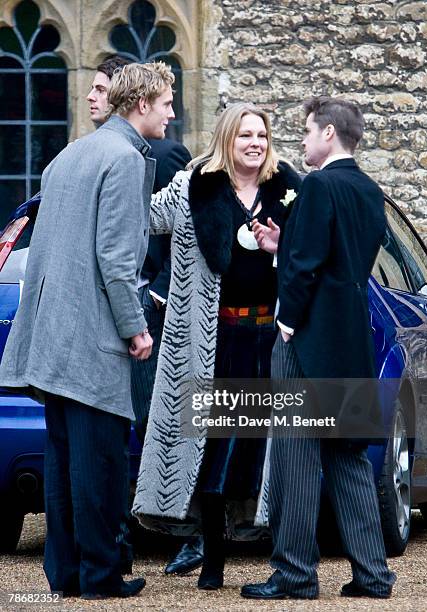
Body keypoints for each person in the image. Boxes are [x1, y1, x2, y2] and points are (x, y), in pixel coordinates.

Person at [0, 61, 175, 599]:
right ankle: (100, 577)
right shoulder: (125, 159)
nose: (172, 111)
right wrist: (136, 327)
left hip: (51, 338)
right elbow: (117, 259)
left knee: (63, 461)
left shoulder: (69, 154)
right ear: (141, 103)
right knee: (98, 462)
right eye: (167, 101)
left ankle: (66, 574)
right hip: (93, 338)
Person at [133, 102, 302, 590]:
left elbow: (315, 250)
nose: (255, 143)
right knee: (209, 445)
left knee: (263, 450)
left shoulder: (287, 189)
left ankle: (277, 554)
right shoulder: (194, 187)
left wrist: (281, 247)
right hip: (214, 340)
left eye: (262, 136)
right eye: (245, 135)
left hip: (270, 338)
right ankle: (212, 559)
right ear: (227, 139)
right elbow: (142, 216)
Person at [241, 96, 396, 600]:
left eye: (307, 131)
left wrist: (286, 319)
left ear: (328, 133)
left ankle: (295, 575)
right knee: (348, 456)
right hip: (351, 338)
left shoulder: (318, 186)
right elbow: (339, 258)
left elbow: (307, 266)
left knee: (295, 458)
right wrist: (281, 246)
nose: (302, 141)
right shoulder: (370, 192)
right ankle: (373, 576)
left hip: (306, 341)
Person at [87, 55, 194, 575]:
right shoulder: (89, 156)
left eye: (100, 88)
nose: (90, 97)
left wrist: (162, 292)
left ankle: (184, 532)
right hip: (108, 312)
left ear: (126, 96)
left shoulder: (165, 154)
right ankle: (124, 528)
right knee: (119, 423)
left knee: (159, 420)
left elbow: (182, 225)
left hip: (149, 309)